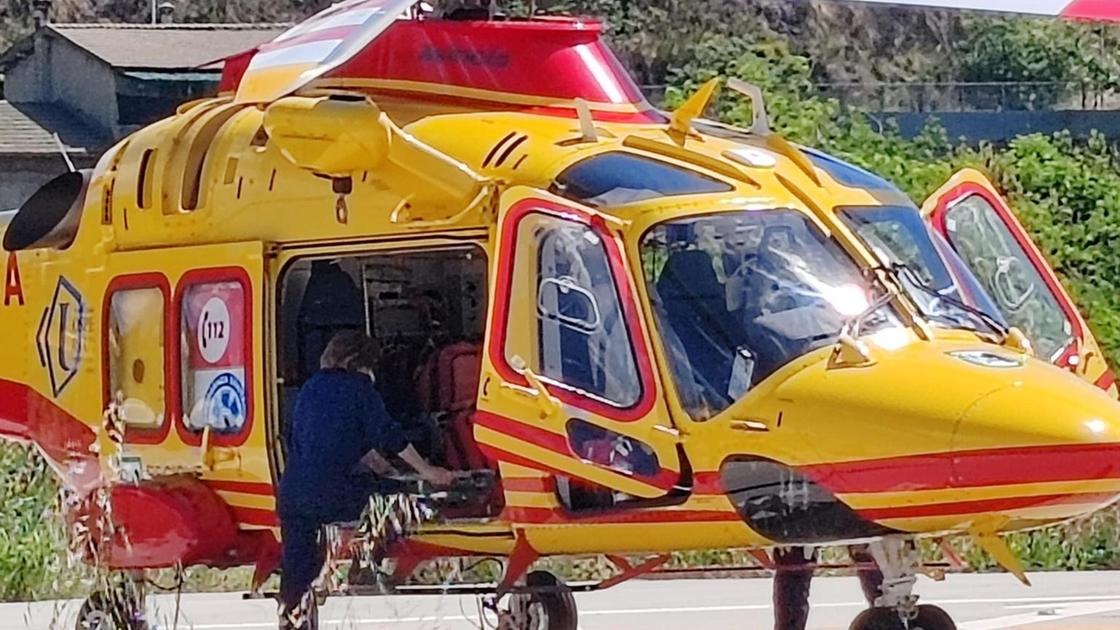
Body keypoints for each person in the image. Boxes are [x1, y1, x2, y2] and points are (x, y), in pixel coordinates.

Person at [277, 330, 455, 624]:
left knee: (297, 569)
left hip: (293, 494)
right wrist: (427, 471)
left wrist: (379, 464)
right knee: (398, 502)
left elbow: (329, 440)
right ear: (355, 361)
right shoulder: (359, 388)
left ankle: (292, 615)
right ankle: (367, 566)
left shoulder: (310, 387)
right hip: (335, 493)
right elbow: (389, 435)